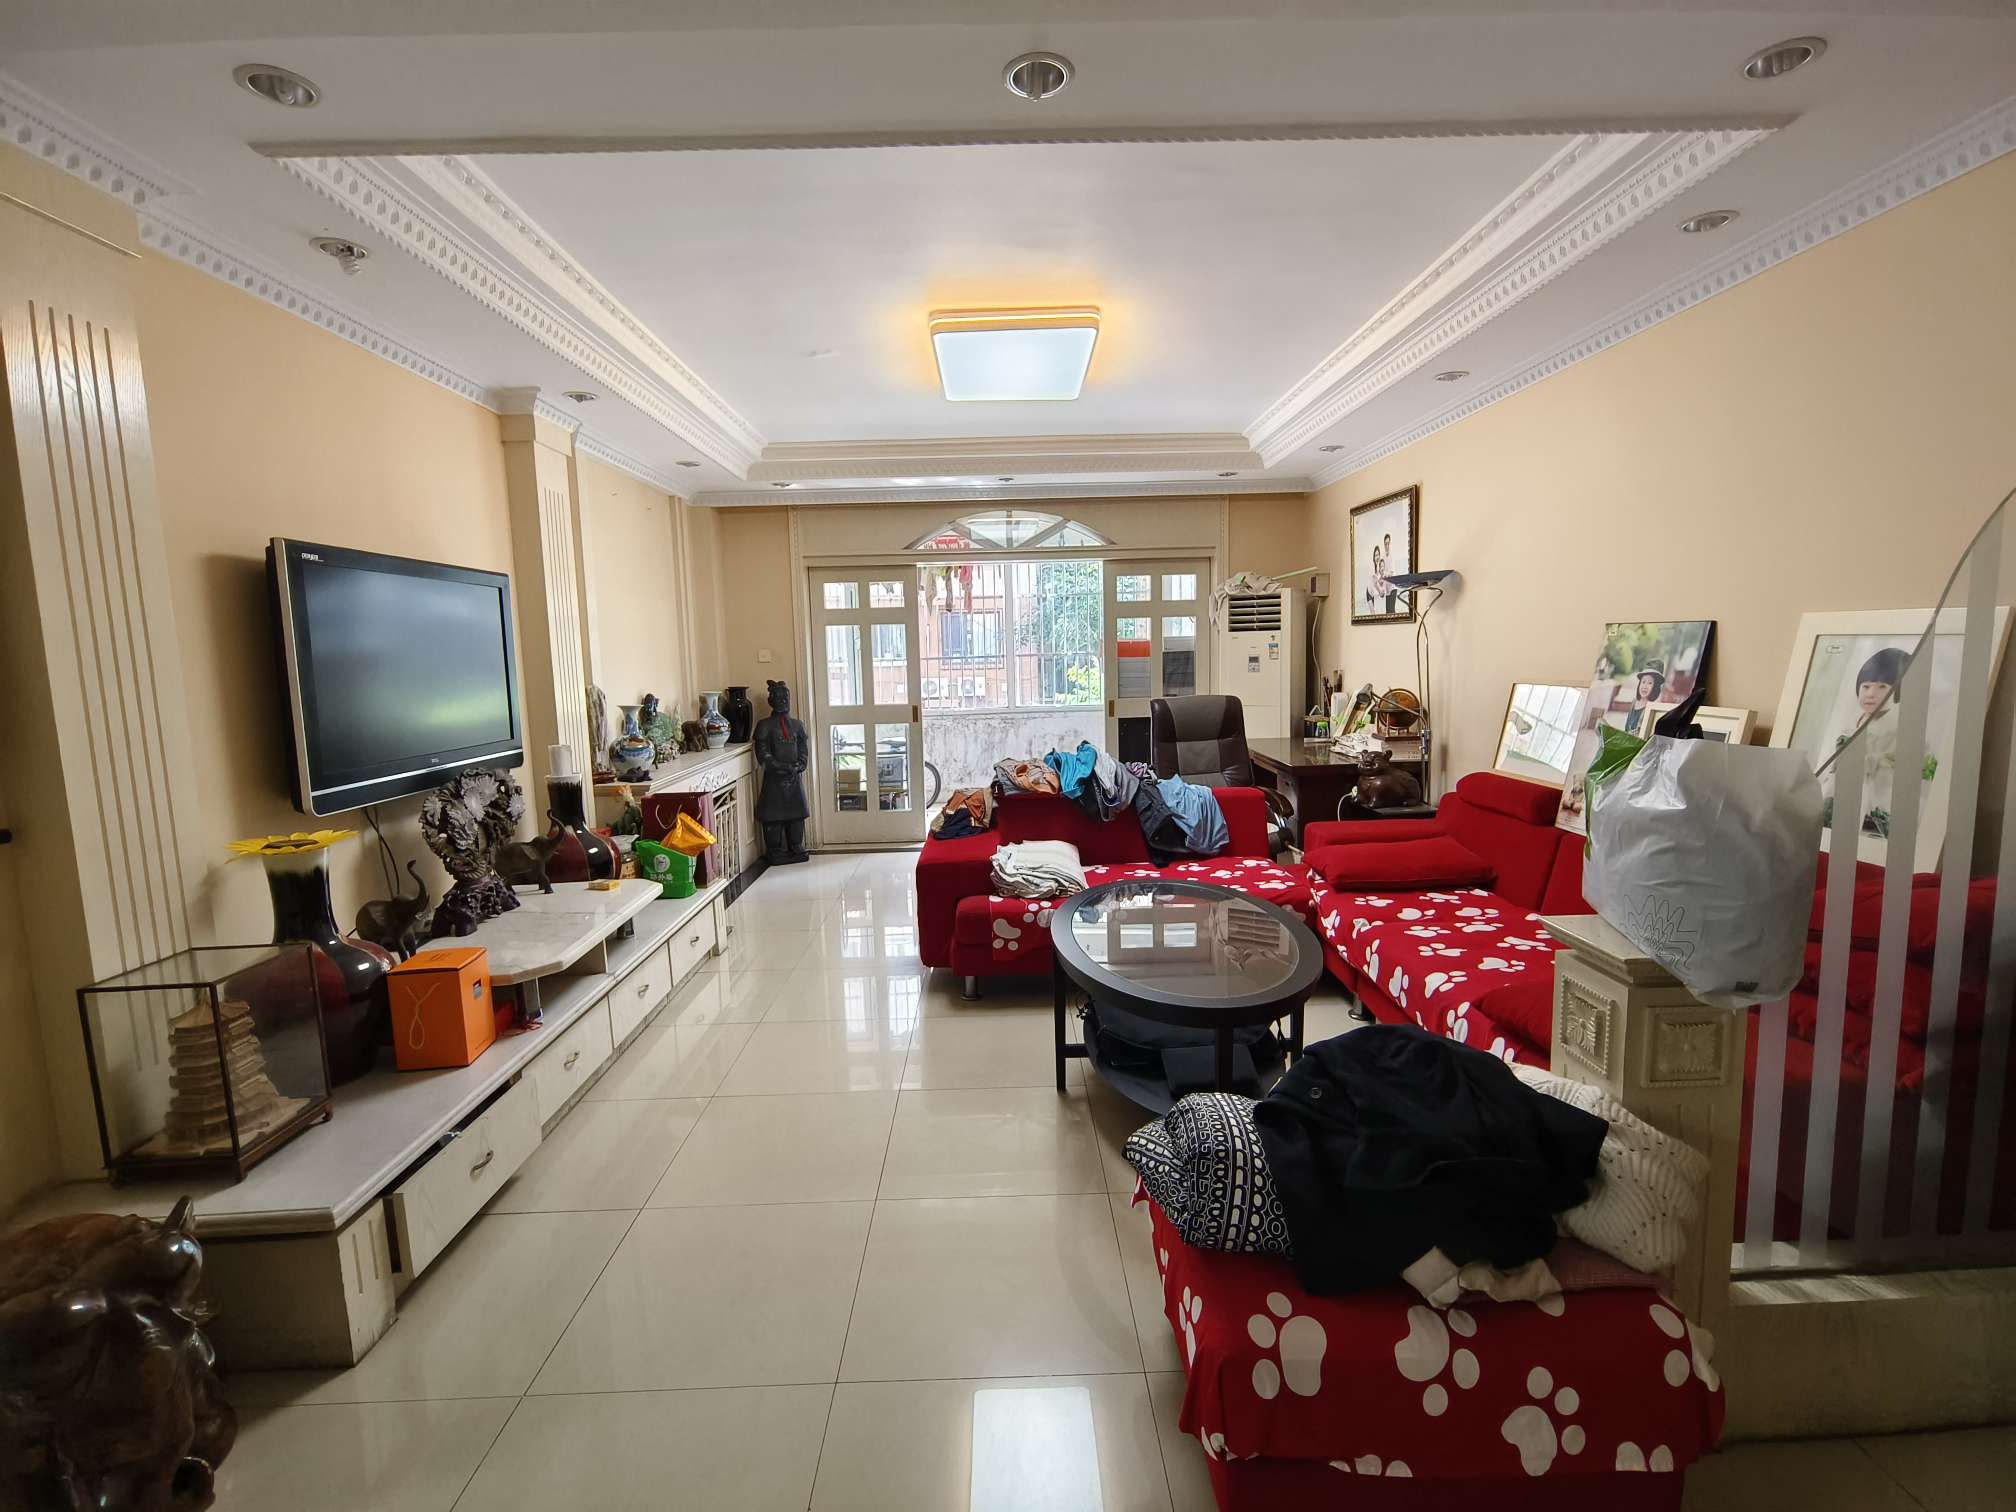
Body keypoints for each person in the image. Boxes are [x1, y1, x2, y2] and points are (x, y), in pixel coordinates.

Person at [1823, 645, 1918, 837]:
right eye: (1866, 686)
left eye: (1882, 687)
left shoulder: (1895, 726)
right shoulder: (1853, 720)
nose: (1870, 693)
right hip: (1841, 786)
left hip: (1874, 793)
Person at [754, 679, 811, 863]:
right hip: (774, 781)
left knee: (797, 815)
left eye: (785, 697)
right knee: (773, 816)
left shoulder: (798, 725)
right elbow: (763, 754)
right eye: (778, 698)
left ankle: (796, 845)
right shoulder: (764, 725)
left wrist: (799, 765)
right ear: (771, 701)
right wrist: (781, 767)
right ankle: (775, 849)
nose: (783, 701)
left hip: (794, 780)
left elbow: (803, 751)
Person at [1622, 659, 1666, 736]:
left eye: (1650, 683)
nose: (1645, 686)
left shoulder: (1652, 709)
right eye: (1643, 682)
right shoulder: (1634, 702)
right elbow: (1626, 728)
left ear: (1655, 687)